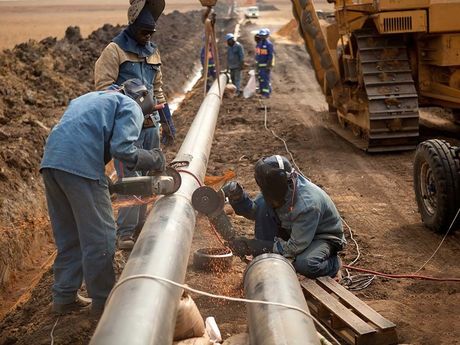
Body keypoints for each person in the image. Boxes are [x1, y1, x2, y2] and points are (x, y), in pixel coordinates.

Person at [41, 79, 166, 315]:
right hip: (80, 164)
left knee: (70, 236)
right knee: (102, 237)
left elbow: (81, 134)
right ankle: (104, 302)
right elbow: (123, 150)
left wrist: (101, 177)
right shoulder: (130, 106)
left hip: (52, 163)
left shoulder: (90, 98)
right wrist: (154, 158)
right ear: (142, 100)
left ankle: (64, 297)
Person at [94, 3, 175, 250]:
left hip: (151, 126)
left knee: (150, 178)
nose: (147, 37)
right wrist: (128, 94)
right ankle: (125, 233)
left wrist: (168, 123)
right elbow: (102, 89)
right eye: (143, 32)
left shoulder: (152, 51)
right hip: (127, 128)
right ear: (133, 26)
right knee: (130, 178)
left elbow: (158, 89)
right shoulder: (114, 51)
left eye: (151, 33)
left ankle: (140, 225)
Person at [223, 155, 346, 278]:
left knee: (306, 264)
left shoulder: (307, 204)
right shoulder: (275, 190)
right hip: (296, 230)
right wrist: (238, 198)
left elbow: (294, 247)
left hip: (321, 237)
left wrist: (254, 246)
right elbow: (255, 212)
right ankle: (266, 262)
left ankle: (334, 264)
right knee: (264, 211)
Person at [255, 28, 274, 98]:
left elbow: (270, 56)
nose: (262, 37)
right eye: (261, 36)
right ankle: (262, 91)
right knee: (261, 79)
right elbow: (257, 55)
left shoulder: (269, 44)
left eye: (264, 35)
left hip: (265, 65)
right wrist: (256, 64)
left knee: (265, 79)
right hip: (260, 65)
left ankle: (266, 94)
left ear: (267, 35)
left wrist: (268, 66)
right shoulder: (259, 44)